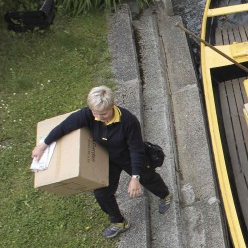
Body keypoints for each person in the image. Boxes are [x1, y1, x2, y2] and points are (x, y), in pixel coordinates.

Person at [31, 86, 172, 238]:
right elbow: (64, 127)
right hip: (108, 158)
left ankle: (165, 195)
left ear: (112, 106)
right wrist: (42, 145)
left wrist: (135, 177)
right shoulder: (88, 114)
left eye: (103, 113)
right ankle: (119, 222)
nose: (98, 118)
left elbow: (136, 150)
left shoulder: (129, 121)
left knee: (148, 177)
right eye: (95, 113)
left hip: (128, 156)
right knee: (102, 194)